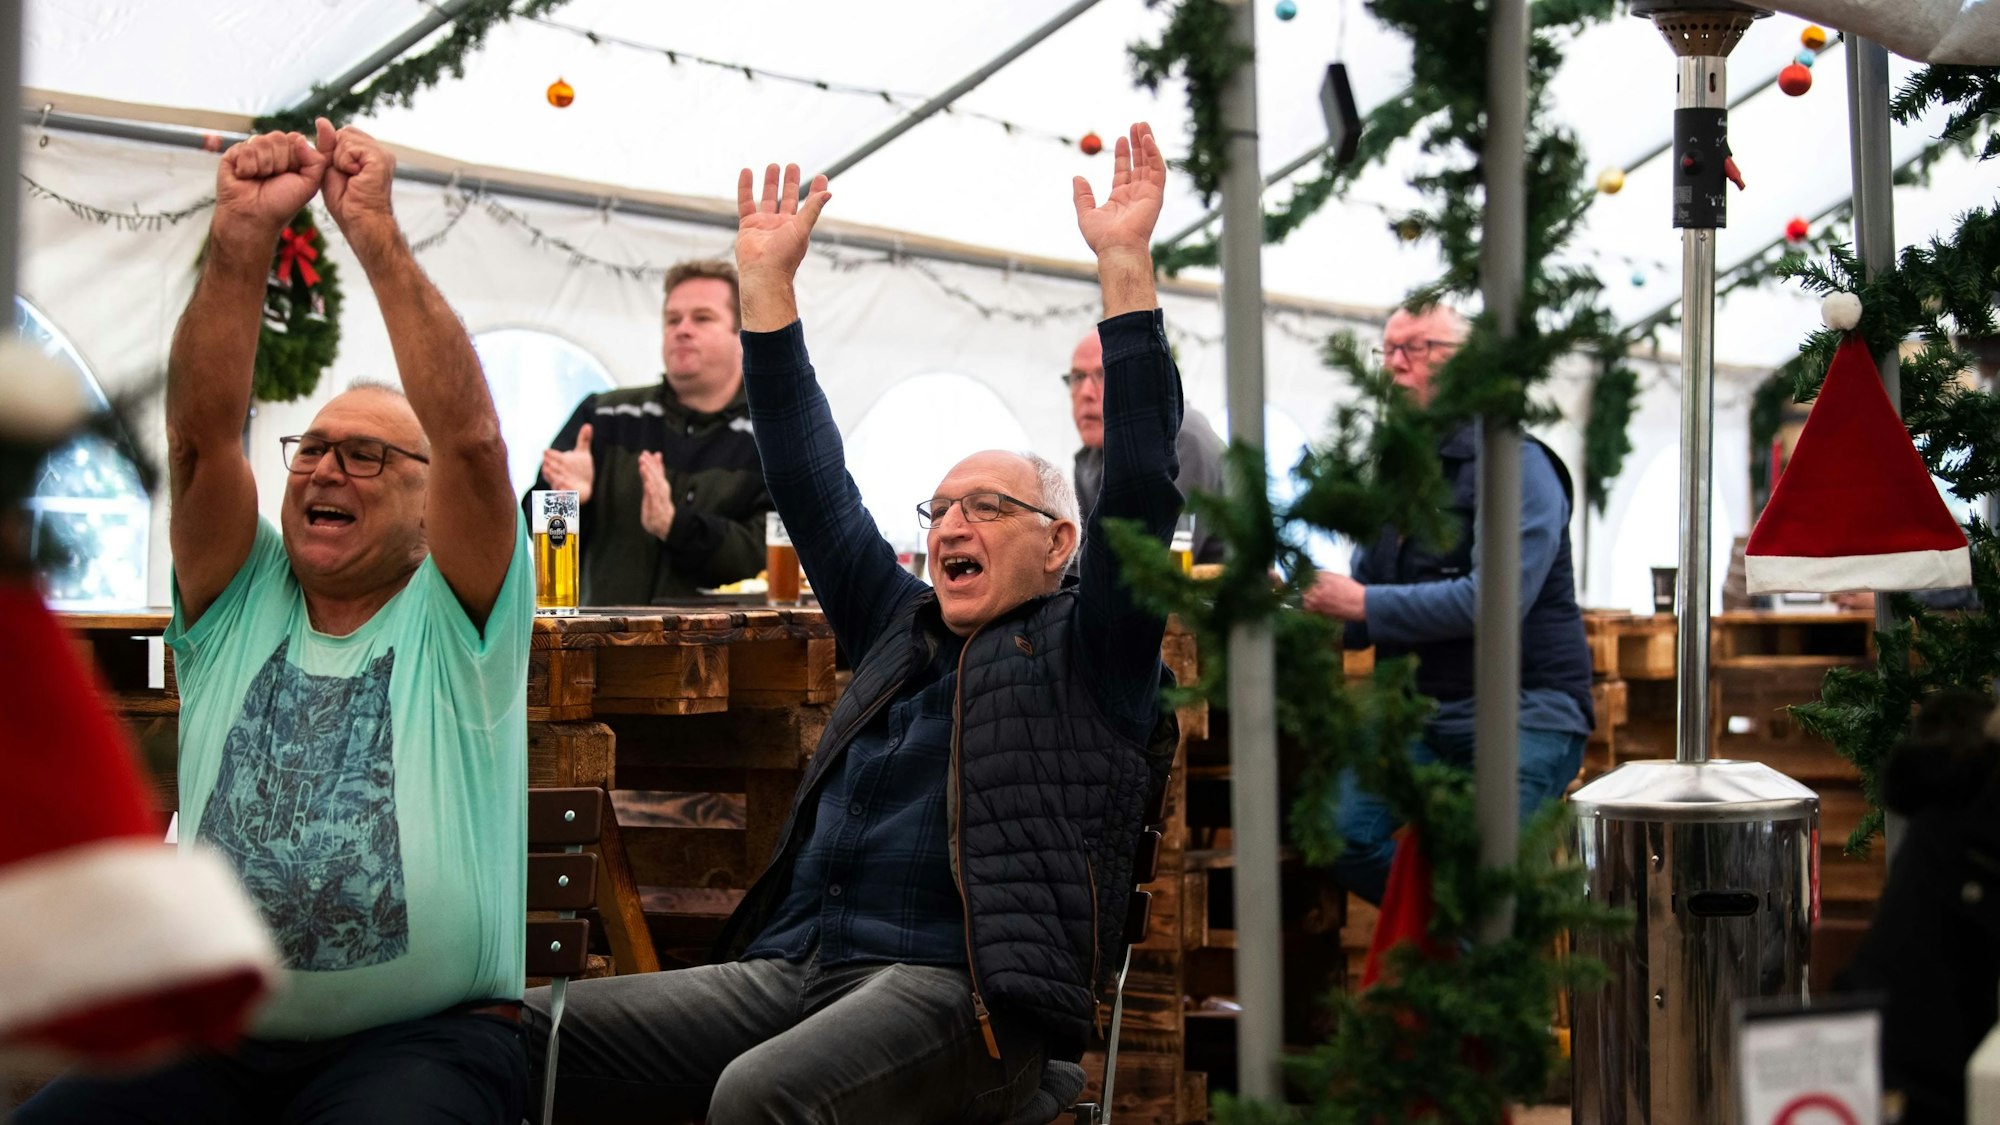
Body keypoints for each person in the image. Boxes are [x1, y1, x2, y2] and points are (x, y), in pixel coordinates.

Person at [524, 123, 1185, 1124]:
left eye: (985, 507)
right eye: (938, 510)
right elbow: (809, 480)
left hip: (968, 1003)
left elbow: (1140, 482)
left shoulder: (1091, 646)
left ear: (1058, 545)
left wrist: (1124, 266)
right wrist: (766, 289)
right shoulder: (898, 624)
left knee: (759, 1098)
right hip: (801, 968)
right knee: (521, 1036)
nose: (951, 522)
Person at [18, 121, 533, 1124]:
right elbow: (201, 439)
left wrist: (372, 233)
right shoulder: (242, 592)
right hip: (215, 1037)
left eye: (370, 456)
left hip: (423, 1041)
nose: (328, 467)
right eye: (314, 449)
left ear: (434, 516)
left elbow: (472, 444)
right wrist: (242, 232)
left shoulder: (454, 618)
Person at [1301, 303, 1593, 904]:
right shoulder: (1398, 470)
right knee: (1337, 835)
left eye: (1418, 349)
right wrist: (1308, 605)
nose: (1396, 366)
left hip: (1525, 708)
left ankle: (1462, 950)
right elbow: (1367, 587)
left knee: (1480, 868)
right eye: (1387, 351)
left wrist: (1362, 605)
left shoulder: (1517, 463)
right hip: (1420, 709)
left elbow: (1493, 602)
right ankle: (1452, 940)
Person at [528, 259, 772, 604]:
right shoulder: (603, 415)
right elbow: (538, 529)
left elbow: (770, 552)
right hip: (600, 648)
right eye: (672, 320)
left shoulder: (770, 439)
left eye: (702, 318)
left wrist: (677, 527)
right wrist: (566, 503)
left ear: (742, 335)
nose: (682, 329)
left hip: (718, 653)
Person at [1066, 330, 1226, 564]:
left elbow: (1160, 562)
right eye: (1078, 377)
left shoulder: (1181, 438)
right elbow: (1082, 553)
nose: (1086, 393)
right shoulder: (1091, 456)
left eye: (1104, 375)